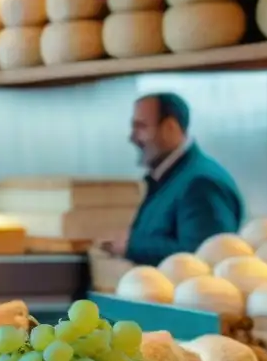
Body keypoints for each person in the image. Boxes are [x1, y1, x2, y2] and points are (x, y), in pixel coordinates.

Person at [104, 92, 244, 266]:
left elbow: (203, 256)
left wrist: (132, 245)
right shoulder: (168, 178)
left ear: (170, 127)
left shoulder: (201, 184)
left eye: (141, 127)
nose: (132, 137)